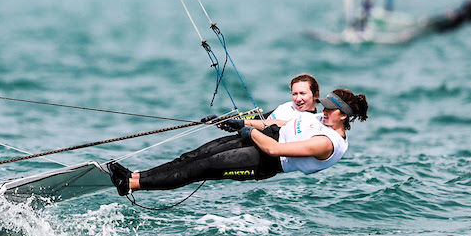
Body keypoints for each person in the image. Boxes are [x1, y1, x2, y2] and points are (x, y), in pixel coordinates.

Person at [106, 88, 369, 195]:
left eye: (330, 110)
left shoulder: (328, 143)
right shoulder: (319, 121)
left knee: (204, 166)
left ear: (343, 116)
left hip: (267, 160)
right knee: (192, 156)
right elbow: (277, 126)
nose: (323, 111)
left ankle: (131, 185)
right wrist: (242, 123)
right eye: (323, 106)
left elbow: (274, 149)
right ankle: (135, 176)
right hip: (263, 139)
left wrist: (247, 133)